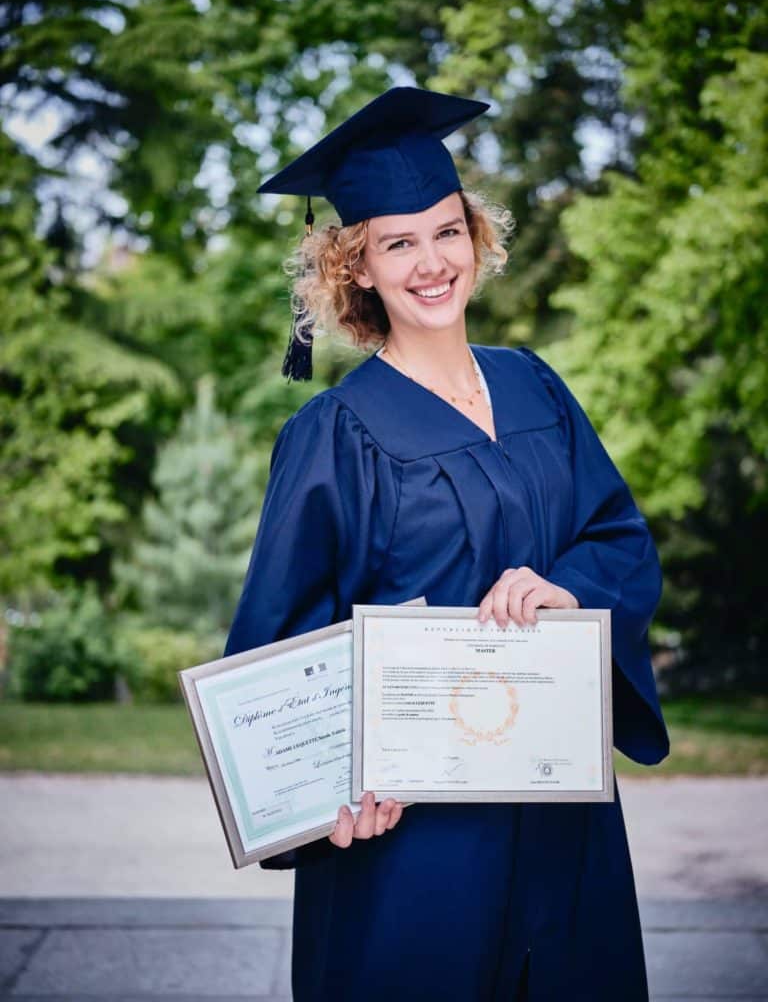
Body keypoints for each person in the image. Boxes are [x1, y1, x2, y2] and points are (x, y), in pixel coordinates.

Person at [225, 86, 669, 1002]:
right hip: (415, 843)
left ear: (476, 240)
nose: (431, 263)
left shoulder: (536, 386)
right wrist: (325, 803)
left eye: (446, 232)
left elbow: (617, 537)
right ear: (358, 270)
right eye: (398, 242)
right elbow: (279, 645)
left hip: (559, 813)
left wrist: (567, 590)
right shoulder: (335, 434)